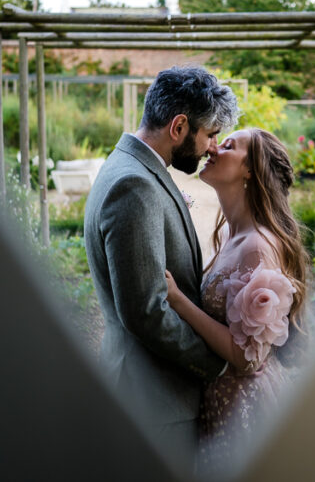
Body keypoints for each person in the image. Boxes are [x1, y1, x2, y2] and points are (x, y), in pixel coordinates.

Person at [84, 66, 240, 465]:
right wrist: (216, 364)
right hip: (153, 402)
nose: (211, 147)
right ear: (179, 126)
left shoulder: (133, 168)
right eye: (208, 134)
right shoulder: (133, 185)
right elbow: (146, 311)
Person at [164, 127, 310, 471]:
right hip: (221, 402)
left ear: (250, 170)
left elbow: (247, 358)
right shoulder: (232, 233)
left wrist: (179, 301)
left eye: (228, 145)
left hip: (244, 412)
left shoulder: (258, 247)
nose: (213, 147)